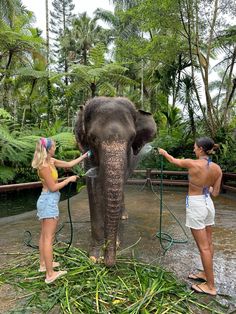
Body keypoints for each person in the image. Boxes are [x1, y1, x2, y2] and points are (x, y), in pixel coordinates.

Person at [158, 137, 222, 296]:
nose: (193, 150)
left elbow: (173, 160)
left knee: (203, 247)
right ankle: (205, 274)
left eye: (195, 147)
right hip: (208, 204)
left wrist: (164, 153)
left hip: (196, 205)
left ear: (201, 149)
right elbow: (215, 193)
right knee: (209, 243)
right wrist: (208, 183)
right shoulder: (217, 169)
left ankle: (211, 286)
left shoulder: (192, 163)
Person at [32, 137, 90, 284]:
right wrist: (68, 180)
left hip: (47, 201)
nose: (55, 148)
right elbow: (53, 187)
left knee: (44, 235)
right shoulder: (44, 166)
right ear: (48, 149)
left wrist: (84, 156)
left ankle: (43, 265)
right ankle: (50, 274)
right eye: (54, 146)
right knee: (48, 238)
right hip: (48, 201)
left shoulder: (51, 161)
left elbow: (69, 164)